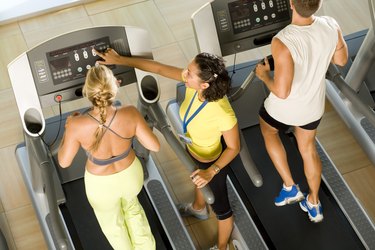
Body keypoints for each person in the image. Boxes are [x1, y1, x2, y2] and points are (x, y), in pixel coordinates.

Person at [95, 49, 240, 250]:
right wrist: (120, 60)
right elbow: (158, 68)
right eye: (187, 70)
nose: (184, 74)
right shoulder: (194, 85)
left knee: (222, 209)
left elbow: (234, 148)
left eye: (189, 73)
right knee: (197, 176)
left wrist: (211, 171)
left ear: (204, 84)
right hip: (194, 148)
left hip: (212, 161)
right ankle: (199, 208)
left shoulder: (223, 113)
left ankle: (223, 247)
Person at [255, 0, 348, 223]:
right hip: (312, 108)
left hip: (284, 108)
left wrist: (264, 77)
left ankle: (290, 186)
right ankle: (314, 203)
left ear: (290, 4)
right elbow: (341, 60)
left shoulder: (282, 40)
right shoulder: (331, 25)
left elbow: (282, 91)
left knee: (268, 130)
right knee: (308, 149)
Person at [58, 65, 160, 249]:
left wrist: (68, 129)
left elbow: (64, 162)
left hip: (101, 186)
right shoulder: (131, 113)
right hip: (130, 176)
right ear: (115, 86)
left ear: (87, 92)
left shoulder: (76, 125)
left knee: (112, 225)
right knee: (133, 209)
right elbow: (155, 146)